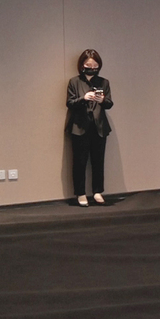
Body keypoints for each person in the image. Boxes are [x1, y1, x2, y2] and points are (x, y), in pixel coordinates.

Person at [65, 49, 113, 207]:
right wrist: (84, 98)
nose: (92, 68)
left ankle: (98, 192)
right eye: (88, 66)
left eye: (95, 66)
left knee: (98, 161)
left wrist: (102, 100)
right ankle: (81, 193)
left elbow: (109, 104)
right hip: (79, 127)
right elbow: (70, 103)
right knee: (79, 162)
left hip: (99, 127)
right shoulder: (74, 82)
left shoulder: (104, 82)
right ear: (82, 65)